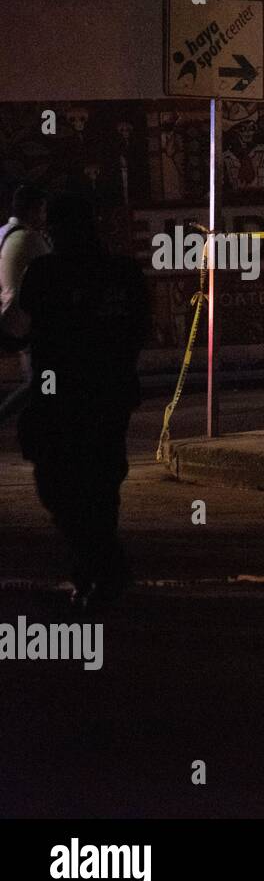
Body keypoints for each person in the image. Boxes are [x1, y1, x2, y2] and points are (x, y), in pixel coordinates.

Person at [18, 193, 150, 609]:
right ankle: (99, 570)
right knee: (96, 487)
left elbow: (20, 328)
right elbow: (139, 331)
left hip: (65, 400)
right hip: (104, 397)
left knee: (64, 487)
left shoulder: (46, 273)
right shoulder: (122, 274)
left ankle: (101, 570)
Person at [0, 184, 51, 423]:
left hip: (8, 316)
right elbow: (54, 272)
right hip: (30, 320)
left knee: (39, 379)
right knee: (41, 381)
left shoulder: (1, 233)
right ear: (33, 210)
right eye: (42, 210)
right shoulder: (31, 237)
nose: (44, 216)